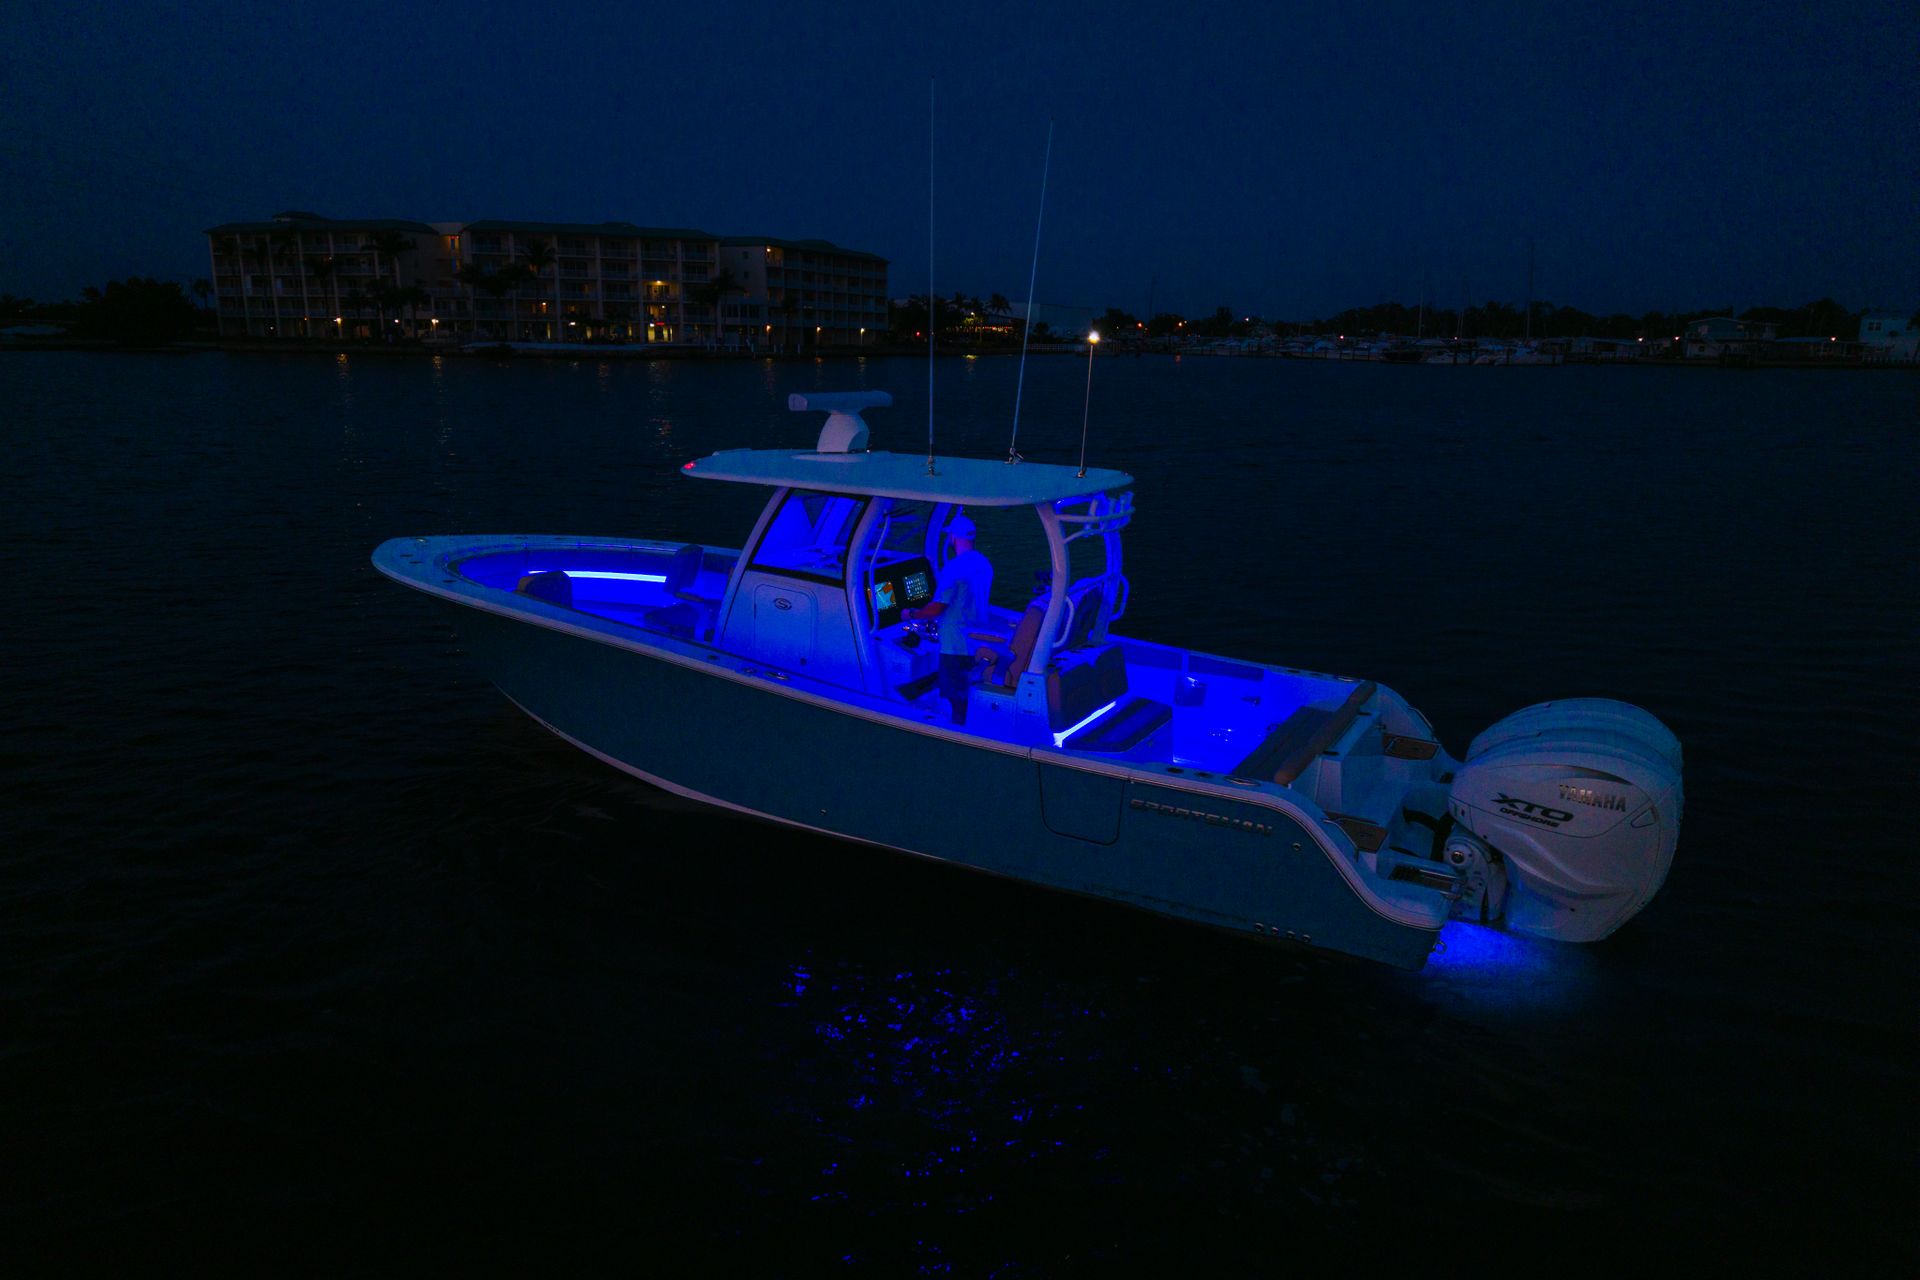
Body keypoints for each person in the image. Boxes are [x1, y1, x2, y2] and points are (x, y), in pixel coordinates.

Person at [902, 513, 993, 724]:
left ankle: (956, 732)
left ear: (953, 537)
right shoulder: (984, 563)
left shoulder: (954, 568)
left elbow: (936, 608)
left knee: (955, 698)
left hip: (954, 643)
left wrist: (911, 614)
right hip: (975, 638)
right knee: (964, 690)